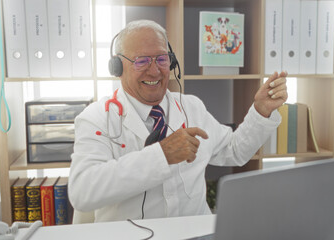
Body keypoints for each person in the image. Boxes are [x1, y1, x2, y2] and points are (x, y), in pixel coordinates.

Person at [68, 20, 288, 222]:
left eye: (162, 59)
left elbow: (234, 150)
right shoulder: (95, 118)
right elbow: (82, 192)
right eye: (141, 61)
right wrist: (161, 155)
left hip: (195, 232)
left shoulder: (191, 107)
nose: (154, 70)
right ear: (116, 67)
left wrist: (261, 111)